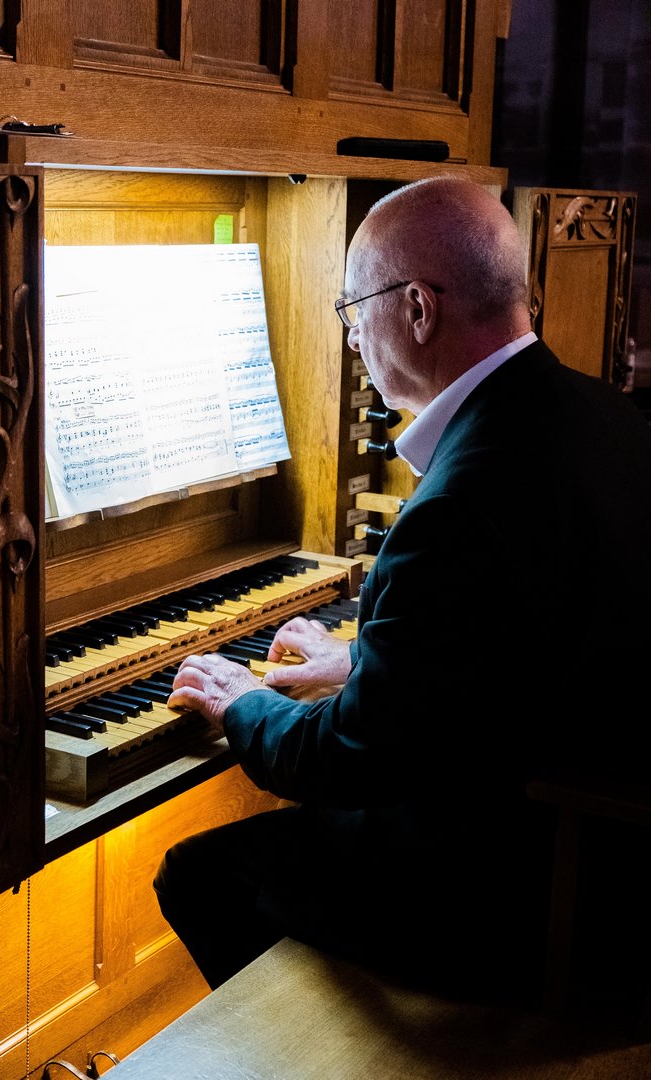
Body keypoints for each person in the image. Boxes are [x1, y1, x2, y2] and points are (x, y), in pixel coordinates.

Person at [154, 176, 651, 1002]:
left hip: (530, 895)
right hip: (614, 859)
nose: (352, 342)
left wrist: (242, 698)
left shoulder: (459, 505)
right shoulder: (602, 414)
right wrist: (365, 667)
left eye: (354, 313)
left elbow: (347, 760)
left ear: (418, 309)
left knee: (203, 874)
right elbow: (526, 645)